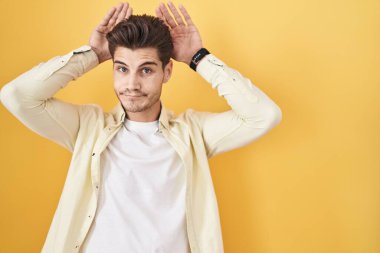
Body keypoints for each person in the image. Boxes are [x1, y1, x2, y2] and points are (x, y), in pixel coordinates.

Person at [0, 2, 282, 253]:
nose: (132, 84)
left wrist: (199, 58)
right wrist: (93, 54)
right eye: (122, 68)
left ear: (166, 72)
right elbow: (16, 96)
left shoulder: (194, 133)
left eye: (146, 70)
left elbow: (264, 115)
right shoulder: (87, 128)